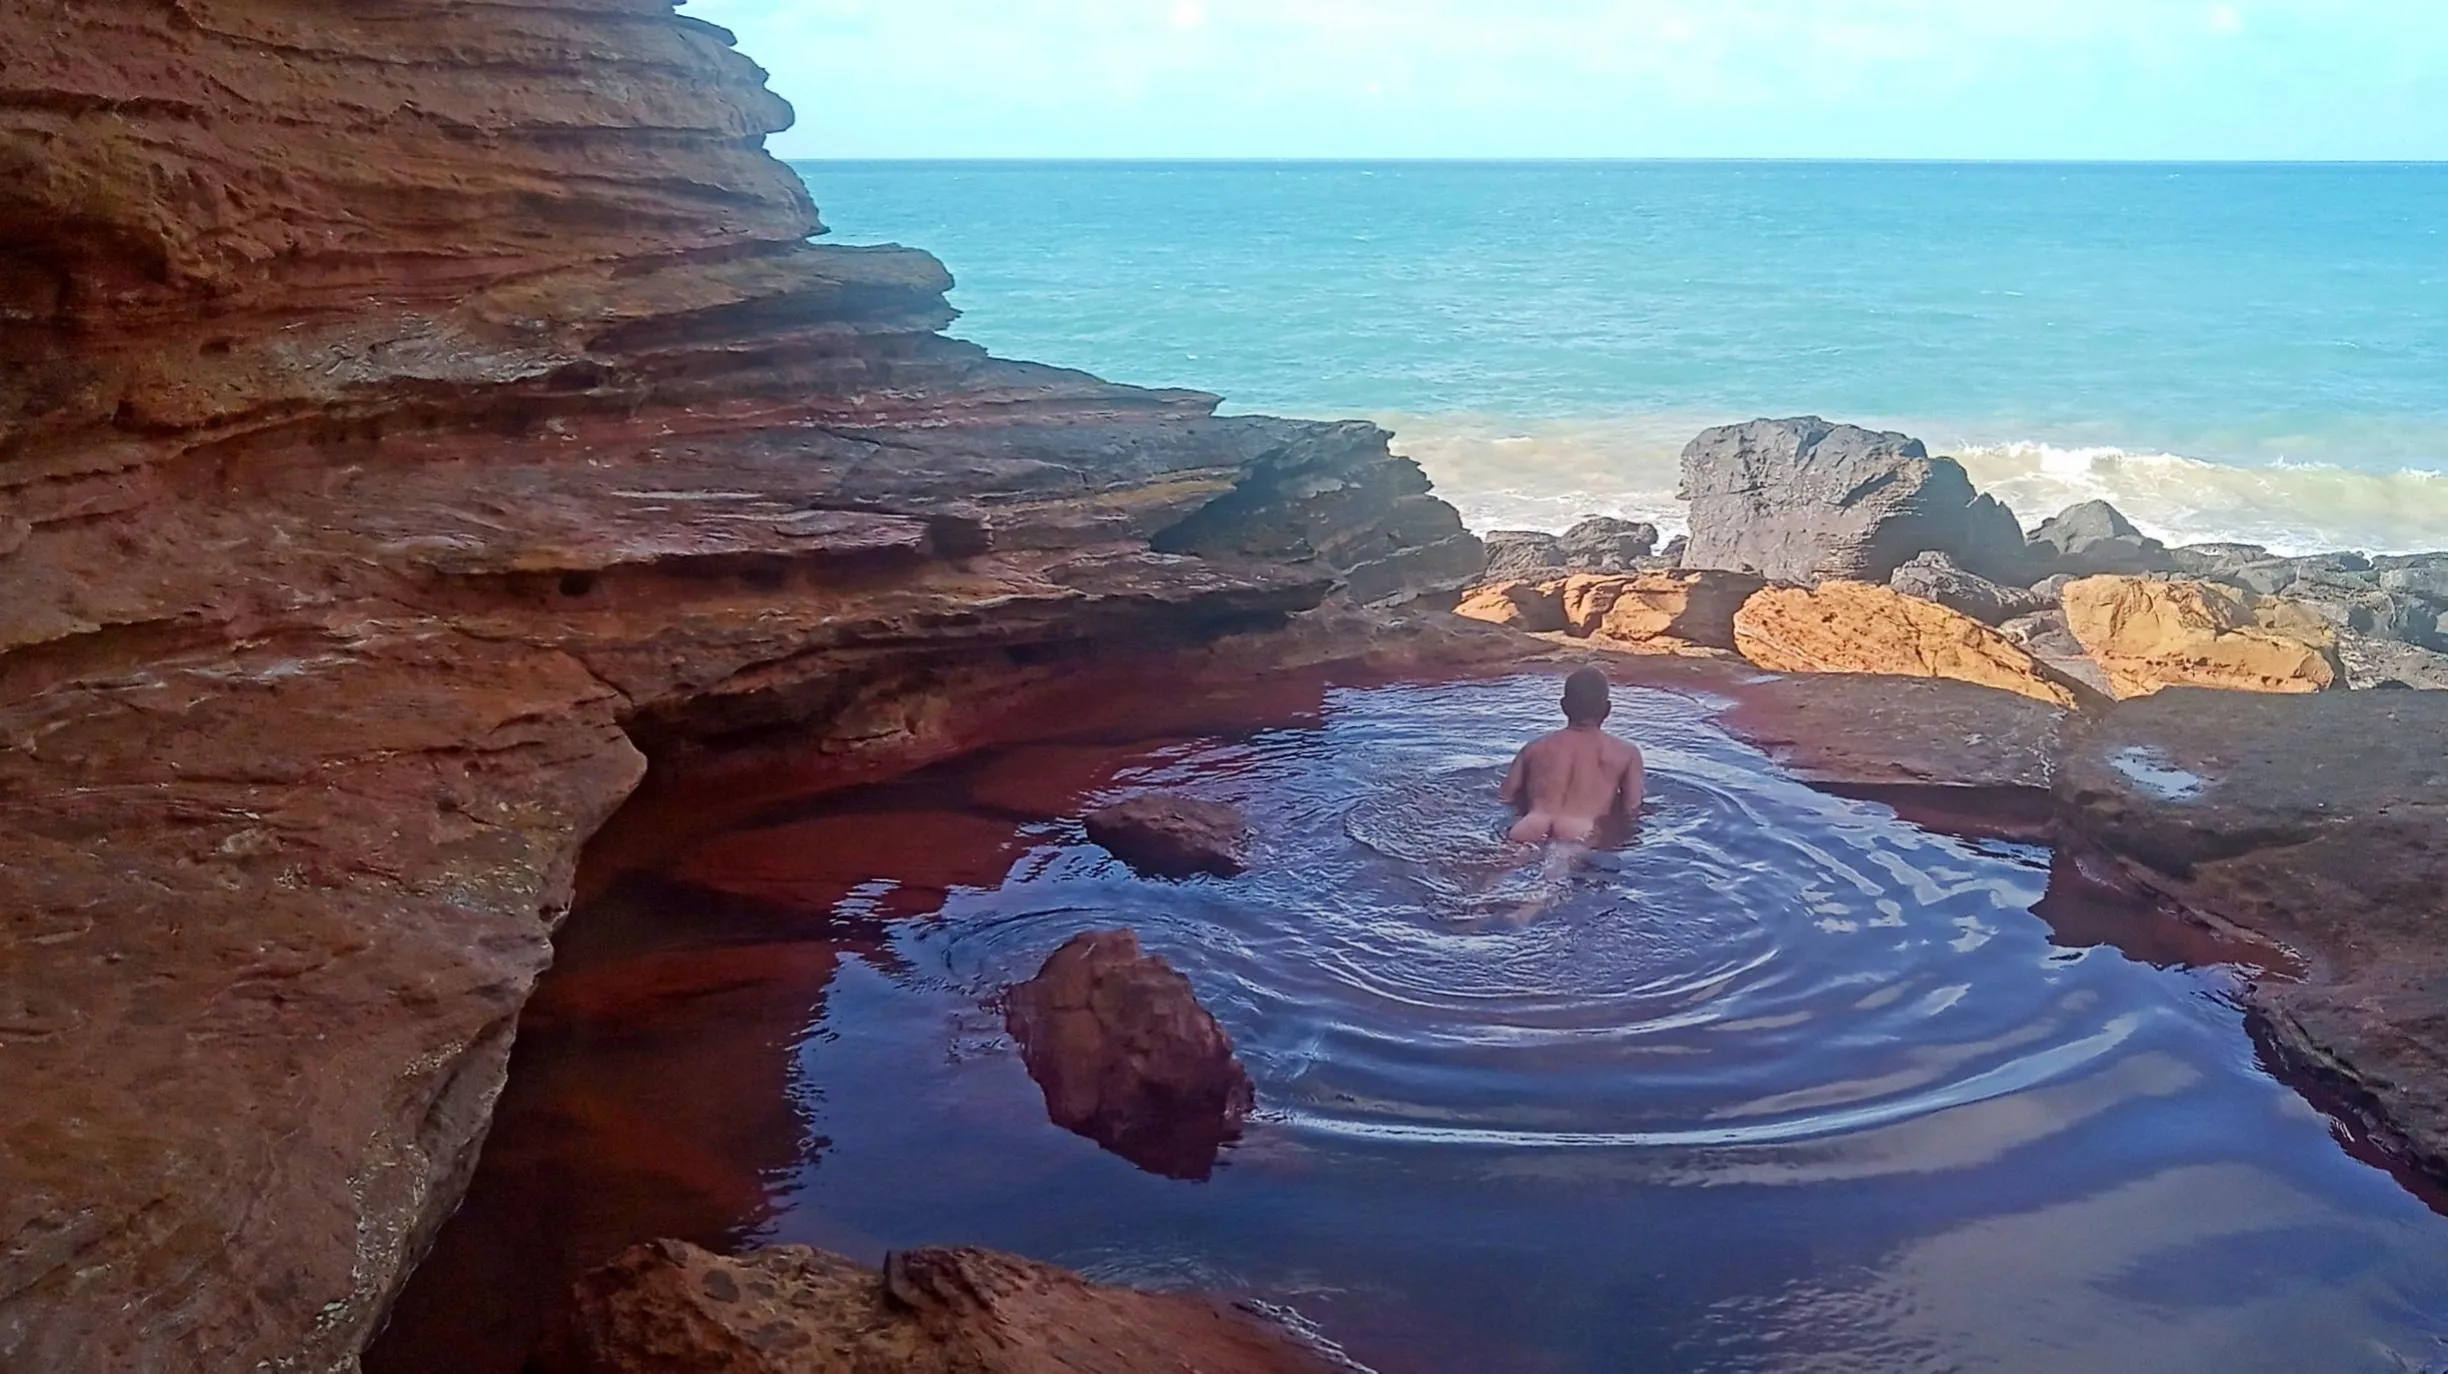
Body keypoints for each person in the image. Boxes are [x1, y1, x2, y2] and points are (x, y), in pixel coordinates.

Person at [1501, 665, 1645, 849]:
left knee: (1498, 871)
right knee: (1554, 874)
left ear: (1563, 706)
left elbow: (1506, 798)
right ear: (1607, 709)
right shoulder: (1626, 752)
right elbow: (1632, 808)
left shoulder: (1534, 747)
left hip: (1530, 825)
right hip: (1578, 830)